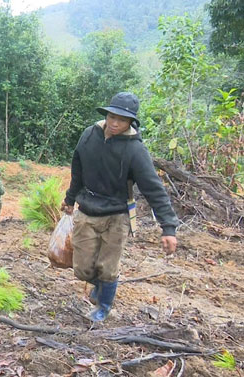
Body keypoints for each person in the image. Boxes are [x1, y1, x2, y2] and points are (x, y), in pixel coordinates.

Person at [61, 92, 179, 322]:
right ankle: (102, 288)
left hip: (117, 215)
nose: (115, 123)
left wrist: (169, 228)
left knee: (108, 266)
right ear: (107, 114)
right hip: (87, 210)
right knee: (82, 268)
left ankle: (104, 305)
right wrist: (70, 198)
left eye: (122, 120)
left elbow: (153, 188)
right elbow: (78, 170)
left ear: (130, 122)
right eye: (112, 116)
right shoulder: (89, 135)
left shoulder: (135, 150)